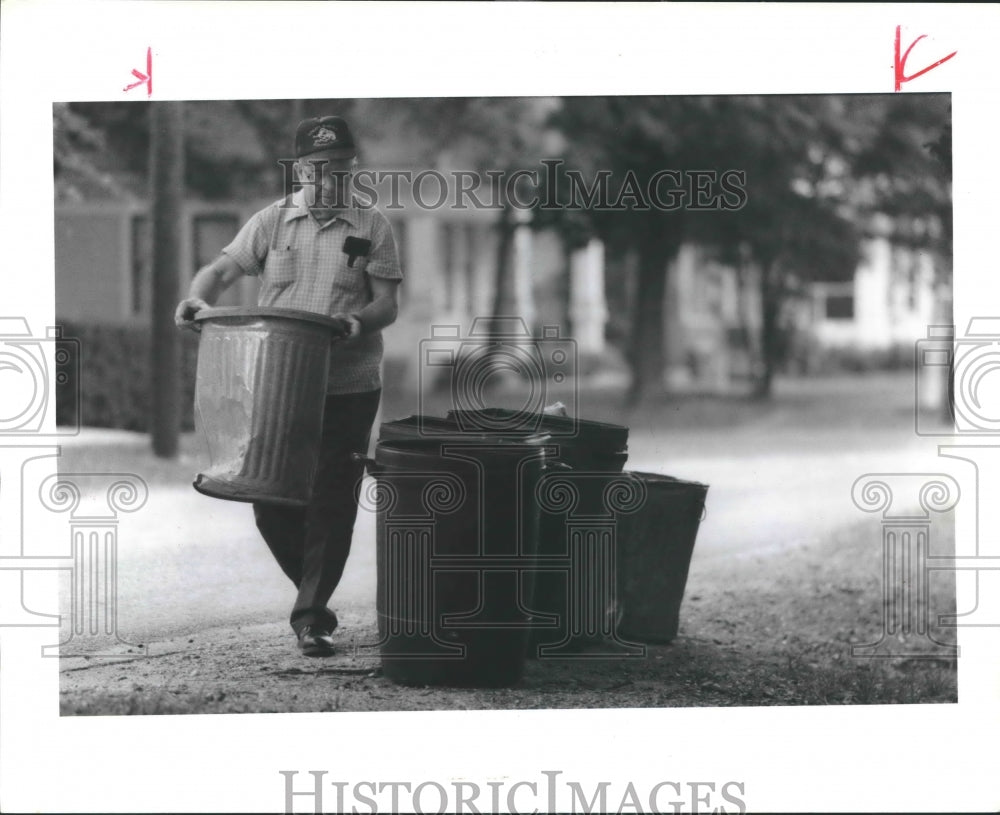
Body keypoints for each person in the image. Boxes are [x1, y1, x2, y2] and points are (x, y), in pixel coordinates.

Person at [175, 115, 402, 656]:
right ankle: (314, 596)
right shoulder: (271, 223)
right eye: (322, 167)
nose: (333, 177)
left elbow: (387, 303)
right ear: (301, 170)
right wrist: (196, 298)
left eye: (343, 167)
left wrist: (359, 322)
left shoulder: (372, 224)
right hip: (278, 382)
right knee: (268, 495)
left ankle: (311, 618)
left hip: (350, 382)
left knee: (331, 498)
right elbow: (220, 272)